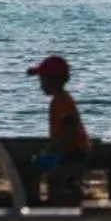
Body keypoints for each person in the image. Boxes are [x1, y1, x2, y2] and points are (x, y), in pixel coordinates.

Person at [26, 53, 91, 205]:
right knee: (37, 169)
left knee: (44, 173)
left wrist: (54, 148)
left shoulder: (62, 101)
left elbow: (69, 127)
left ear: (52, 80)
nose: (40, 84)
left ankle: (41, 203)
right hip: (67, 151)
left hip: (72, 153)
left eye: (42, 79)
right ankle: (42, 201)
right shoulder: (59, 99)